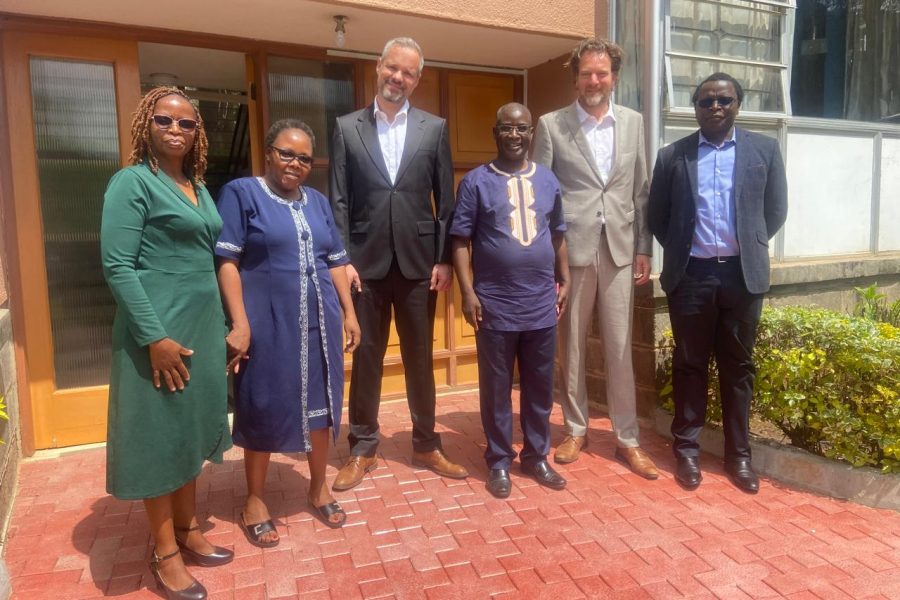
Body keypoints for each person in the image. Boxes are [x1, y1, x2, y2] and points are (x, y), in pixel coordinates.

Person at [101, 87, 233, 600]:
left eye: (187, 123)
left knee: (188, 434)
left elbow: (210, 258)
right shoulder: (131, 183)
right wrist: (154, 336)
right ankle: (164, 552)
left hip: (200, 329)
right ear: (145, 126)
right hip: (156, 332)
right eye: (165, 120)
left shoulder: (197, 185)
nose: (176, 130)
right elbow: (117, 265)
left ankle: (189, 528)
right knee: (159, 440)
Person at [328, 37, 467, 490]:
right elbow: (339, 201)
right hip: (363, 266)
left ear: (417, 79)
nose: (398, 78)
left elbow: (445, 202)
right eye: (392, 69)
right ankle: (363, 446)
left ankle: (426, 442)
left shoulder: (434, 128)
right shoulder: (347, 128)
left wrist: (444, 258)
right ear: (378, 67)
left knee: (420, 358)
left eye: (408, 73)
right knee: (367, 357)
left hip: (418, 264)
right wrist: (342, 258)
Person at [215, 120, 361, 538]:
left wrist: (349, 314)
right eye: (286, 153)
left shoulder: (316, 201)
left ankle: (317, 489)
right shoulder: (242, 194)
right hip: (268, 324)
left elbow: (335, 260)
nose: (294, 163)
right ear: (268, 152)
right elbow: (227, 260)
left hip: (321, 323)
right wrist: (240, 323)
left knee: (322, 405)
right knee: (262, 403)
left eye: (303, 158)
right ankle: (255, 500)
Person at [648, 73, 788, 493]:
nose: (715, 108)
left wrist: (749, 244)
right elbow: (659, 216)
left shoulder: (763, 150)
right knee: (689, 363)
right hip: (690, 275)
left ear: (738, 105)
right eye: (706, 101)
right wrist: (682, 251)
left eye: (724, 100)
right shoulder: (673, 155)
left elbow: (775, 210)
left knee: (738, 367)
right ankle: (687, 450)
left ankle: (738, 456)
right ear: (694, 108)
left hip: (742, 276)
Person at [533, 39, 659, 479]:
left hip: (621, 249)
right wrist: (549, 257)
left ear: (614, 78)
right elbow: (541, 194)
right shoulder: (552, 125)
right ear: (576, 78)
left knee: (621, 347)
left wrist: (644, 246)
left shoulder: (634, 122)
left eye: (602, 73)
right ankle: (575, 428)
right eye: (586, 73)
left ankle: (627, 438)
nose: (594, 81)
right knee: (572, 345)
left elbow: (640, 191)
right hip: (572, 251)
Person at [451, 103, 570, 498]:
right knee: (497, 388)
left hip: (540, 304)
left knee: (539, 388)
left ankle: (537, 457)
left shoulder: (549, 180)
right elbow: (460, 241)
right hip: (495, 305)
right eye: (507, 128)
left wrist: (565, 277)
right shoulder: (475, 182)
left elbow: (558, 234)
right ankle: (499, 460)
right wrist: (468, 293)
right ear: (495, 132)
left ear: (531, 132)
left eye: (522, 128)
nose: (515, 135)